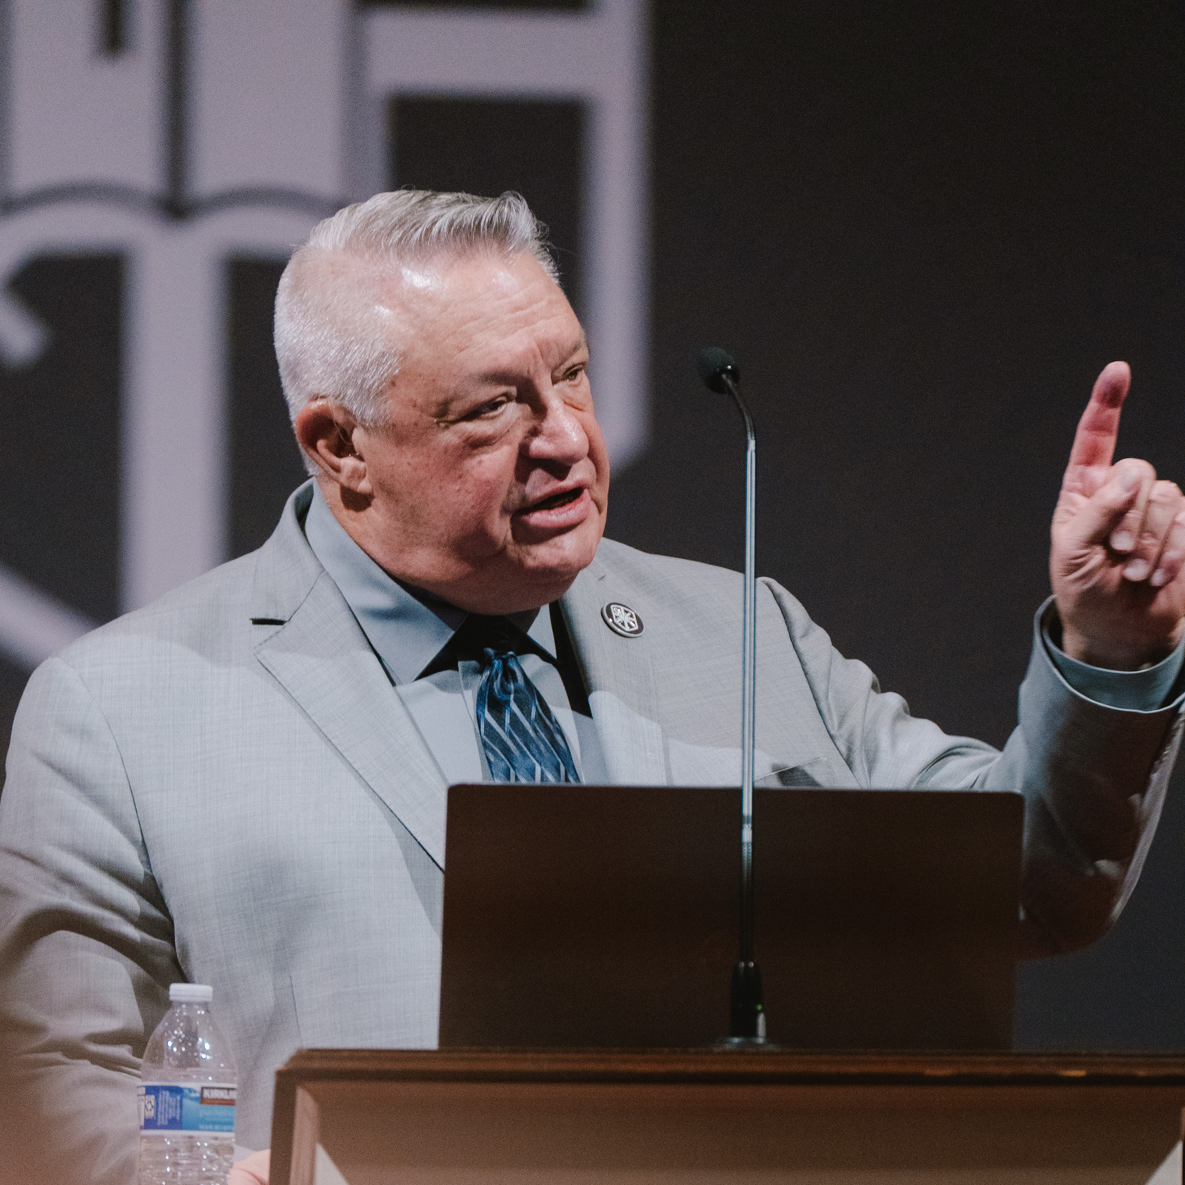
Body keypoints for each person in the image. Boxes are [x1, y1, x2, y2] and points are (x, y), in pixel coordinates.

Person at [1, 189, 1183, 1185]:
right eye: (496, 406)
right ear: (340, 445)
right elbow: (56, 1089)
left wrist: (1110, 648)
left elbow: (1019, 888)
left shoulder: (740, 629)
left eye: (572, 376)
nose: (565, 435)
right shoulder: (121, 709)